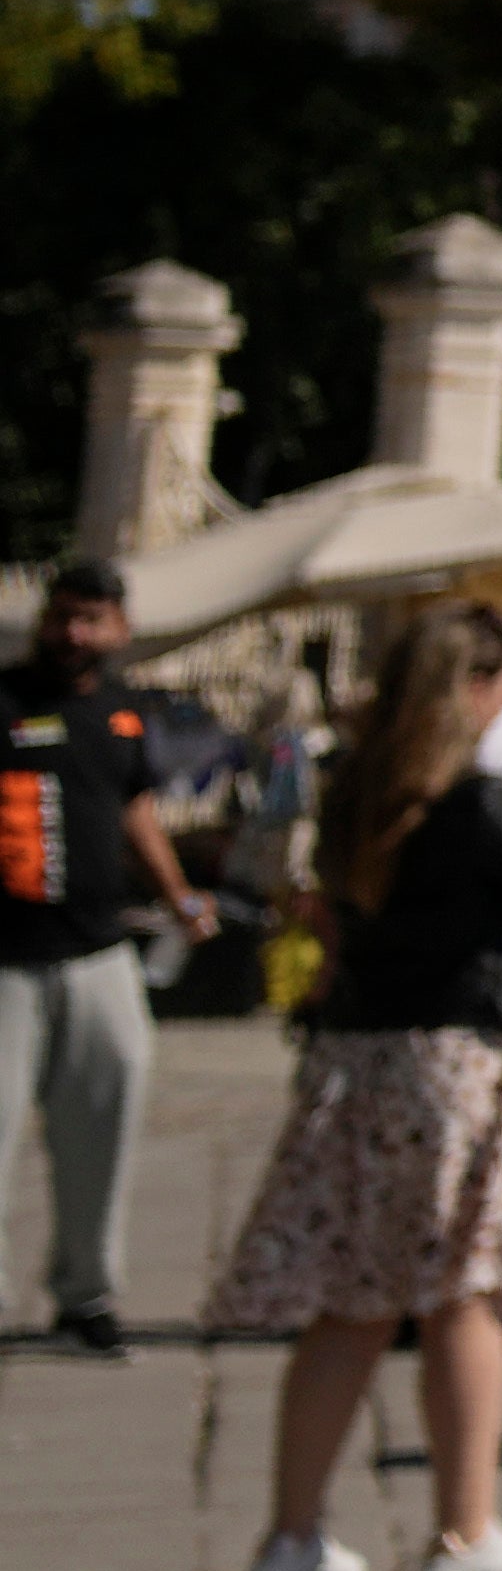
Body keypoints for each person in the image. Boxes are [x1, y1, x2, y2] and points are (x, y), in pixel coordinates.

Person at [207, 597, 502, 1571]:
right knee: (470, 1286)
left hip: (364, 1055)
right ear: (477, 687)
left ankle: (292, 1536)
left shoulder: (361, 793)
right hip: (463, 1055)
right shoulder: (478, 803)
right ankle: (464, 1532)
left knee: (355, 1297)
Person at [5, 558, 215, 1358]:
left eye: (91, 618)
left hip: (100, 953)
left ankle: (87, 1292)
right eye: (63, 615)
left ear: (119, 627)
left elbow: (137, 809)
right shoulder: (7, 698)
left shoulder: (124, 715)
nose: (74, 632)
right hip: (7, 960)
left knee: (105, 1124)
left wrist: (177, 894)